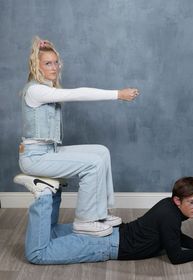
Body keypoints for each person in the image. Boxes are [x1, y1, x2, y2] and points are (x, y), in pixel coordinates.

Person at [16, 36, 139, 237]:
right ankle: (85, 220)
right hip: (34, 157)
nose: (54, 67)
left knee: (101, 151)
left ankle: (99, 213)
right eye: (48, 63)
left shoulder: (47, 88)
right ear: (36, 65)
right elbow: (79, 93)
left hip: (49, 151)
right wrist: (117, 94)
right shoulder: (36, 90)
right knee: (92, 164)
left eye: (56, 62)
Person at [14, 175, 193, 265]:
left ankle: (53, 190)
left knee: (49, 233)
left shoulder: (168, 205)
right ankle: (44, 195)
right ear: (178, 200)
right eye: (192, 202)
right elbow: (176, 257)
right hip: (104, 244)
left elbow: (174, 236)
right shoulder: (170, 217)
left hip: (107, 230)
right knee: (37, 253)